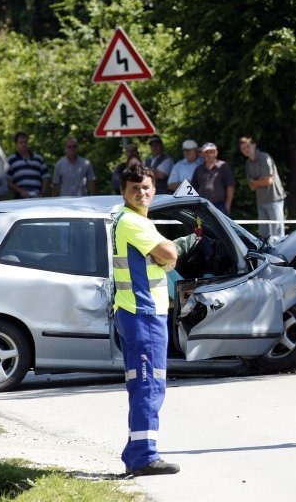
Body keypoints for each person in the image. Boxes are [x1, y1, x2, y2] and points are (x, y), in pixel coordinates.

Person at [112, 164, 180, 476]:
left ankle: (137, 451)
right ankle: (143, 456)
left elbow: (163, 257)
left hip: (137, 314)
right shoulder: (132, 223)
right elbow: (168, 251)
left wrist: (165, 257)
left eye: (147, 187)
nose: (142, 193)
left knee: (143, 385)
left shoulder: (130, 219)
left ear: (154, 189)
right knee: (148, 385)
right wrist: (170, 253)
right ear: (124, 192)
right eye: (135, 188)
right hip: (144, 314)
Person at [239, 136, 286, 240]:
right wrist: (260, 180)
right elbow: (251, 187)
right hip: (261, 202)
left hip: (275, 200)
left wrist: (255, 182)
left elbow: (268, 181)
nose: (246, 150)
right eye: (243, 148)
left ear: (254, 145)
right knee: (264, 236)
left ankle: (280, 256)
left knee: (277, 235)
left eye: (248, 146)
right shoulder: (248, 164)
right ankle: (267, 256)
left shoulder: (264, 157)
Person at [191, 142, 235, 215]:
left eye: (211, 152)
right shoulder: (198, 169)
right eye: (206, 152)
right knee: (202, 226)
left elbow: (230, 186)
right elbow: (193, 188)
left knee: (219, 226)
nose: (209, 155)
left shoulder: (223, 166)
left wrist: (227, 205)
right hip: (202, 205)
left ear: (216, 153)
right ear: (202, 154)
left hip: (220, 206)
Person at [6, 131, 49, 198]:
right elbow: (6, 180)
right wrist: (20, 191)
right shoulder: (11, 159)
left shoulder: (38, 158)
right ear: (16, 144)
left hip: (37, 195)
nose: (23, 144)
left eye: (25, 142)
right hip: (20, 196)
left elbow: (45, 177)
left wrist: (42, 193)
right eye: (21, 142)